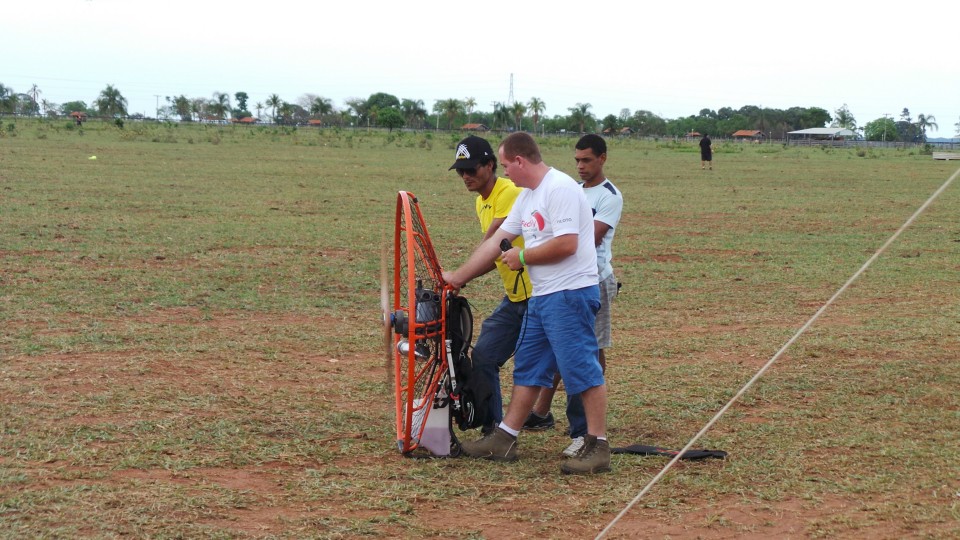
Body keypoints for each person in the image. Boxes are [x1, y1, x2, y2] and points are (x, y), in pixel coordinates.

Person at [442, 132, 610, 475]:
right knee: (530, 367)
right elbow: (498, 242)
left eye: (505, 165)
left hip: (570, 293)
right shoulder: (528, 195)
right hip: (543, 295)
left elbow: (567, 245)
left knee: (581, 369)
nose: (505, 172)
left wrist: (523, 254)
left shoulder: (559, 189)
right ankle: (504, 439)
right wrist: (458, 277)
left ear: (520, 161)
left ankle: (598, 445)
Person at [525, 134, 623, 458]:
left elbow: (586, 240)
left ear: (603, 159)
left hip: (593, 279)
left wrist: (540, 250)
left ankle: (584, 426)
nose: (580, 166)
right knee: (567, 347)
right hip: (564, 280)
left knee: (589, 349)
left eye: (587, 160)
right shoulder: (572, 191)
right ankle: (541, 411)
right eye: (577, 160)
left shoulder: (609, 196)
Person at [447, 135, 532, 434]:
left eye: (472, 169)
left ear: (491, 165)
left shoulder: (508, 191)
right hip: (515, 296)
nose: (466, 176)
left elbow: (494, 245)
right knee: (483, 355)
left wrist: (459, 277)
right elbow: (488, 250)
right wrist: (460, 276)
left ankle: (585, 433)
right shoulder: (480, 203)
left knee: (556, 364)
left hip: (539, 296)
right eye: (461, 171)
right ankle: (492, 430)